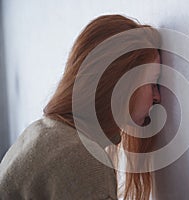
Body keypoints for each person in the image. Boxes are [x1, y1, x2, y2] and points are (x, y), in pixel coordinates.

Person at [0, 14, 161, 200]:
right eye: (153, 83)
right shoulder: (82, 159)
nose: (157, 97)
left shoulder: (41, 131)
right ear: (120, 85)